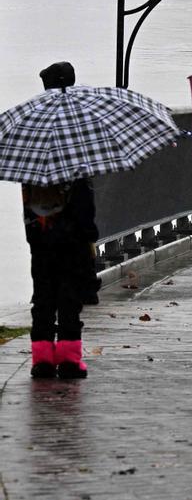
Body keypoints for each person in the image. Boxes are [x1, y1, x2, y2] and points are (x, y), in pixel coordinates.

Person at [23, 61, 100, 380]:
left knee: (42, 299)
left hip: (40, 239)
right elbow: (83, 205)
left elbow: (28, 202)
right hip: (72, 241)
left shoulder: (30, 134)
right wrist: (89, 235)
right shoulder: (79, 132)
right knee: (69, 300)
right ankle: (69, 360)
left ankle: (41, 361)